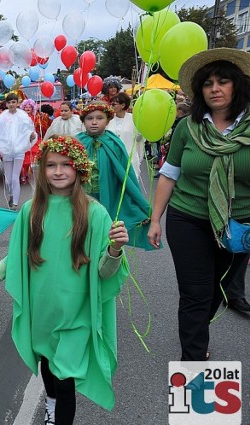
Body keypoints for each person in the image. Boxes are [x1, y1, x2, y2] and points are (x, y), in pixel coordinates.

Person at [0, 135, 129, 425]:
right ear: (42, 170)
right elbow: (19, 253)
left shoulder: (95, 214)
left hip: (76, 316)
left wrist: (115, 249)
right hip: (42, 311)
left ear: (80, 169)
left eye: (67, 165)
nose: (59, 171)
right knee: (46, 364)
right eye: (52, 165)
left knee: (65, 376)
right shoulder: (31, 210)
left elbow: (105, 273)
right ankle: (51, 404)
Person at [148, 48, 250, 360]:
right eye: (207, 84)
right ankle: (192, 362)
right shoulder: (188, 127)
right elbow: (169, 173)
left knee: (217, 292)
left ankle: (198, 332)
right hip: (187, 219)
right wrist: (155, 219)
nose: (215, 89)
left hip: (238, 225)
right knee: (194, 293)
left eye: (222, 82)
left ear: (237, 86)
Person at [76, 102, 153, 249]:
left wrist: (139, 203)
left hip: (107, 194)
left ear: (107, 120)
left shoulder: (114, 142)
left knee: (106, 234)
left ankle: (108, 261)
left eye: (99, 118)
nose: (94, 122)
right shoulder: (77, 142)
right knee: (82, 233)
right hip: (81, 196)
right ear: (83, 121)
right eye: (89, 118)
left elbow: (126, 174)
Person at [0, 93, 36, 210]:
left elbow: (28, 130)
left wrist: (31, 137)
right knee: (8, 180)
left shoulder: (23, 116)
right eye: (9, 102)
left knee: (14, 177)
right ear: (6, 104)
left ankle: (15, 204)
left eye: (14, 102)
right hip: (6, 151)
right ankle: (11, 195)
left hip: (19, 150)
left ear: (18, 103)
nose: (12, 104)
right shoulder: (2, 117)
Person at [106, 93, 143, 179]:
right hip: (113, 156)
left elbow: (139, 137)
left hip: (129, 155)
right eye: (111, 104)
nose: (112, 106)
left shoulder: (133, 119)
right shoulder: (109, 120)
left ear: (123, 105)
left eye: (114, 104)